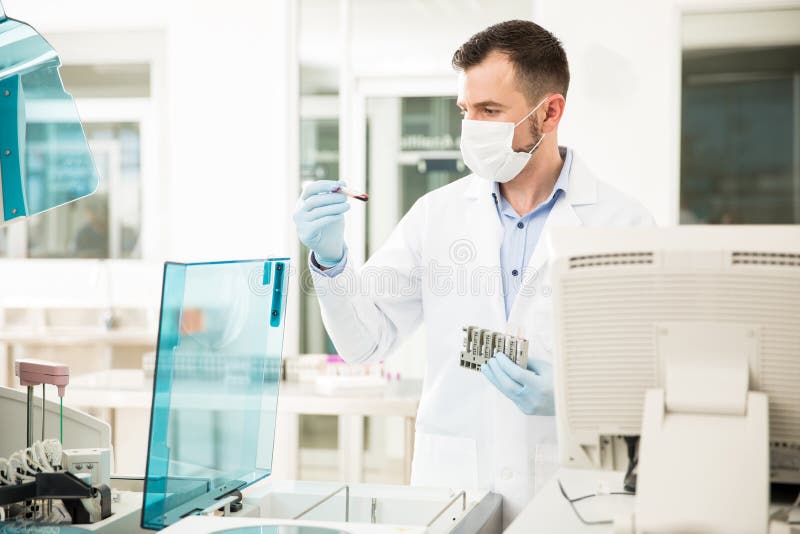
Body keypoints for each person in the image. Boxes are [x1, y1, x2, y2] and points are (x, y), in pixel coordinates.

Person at [293, 20, 653, 525]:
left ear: (549, 112)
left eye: (489, 111)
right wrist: (331, 263)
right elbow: (364, 343)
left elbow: (653, 380)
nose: (471, 128)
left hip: (571, 498)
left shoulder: (624, 225)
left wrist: (573, 397)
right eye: (465, 110)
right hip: (453, 490)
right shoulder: (435, 214)